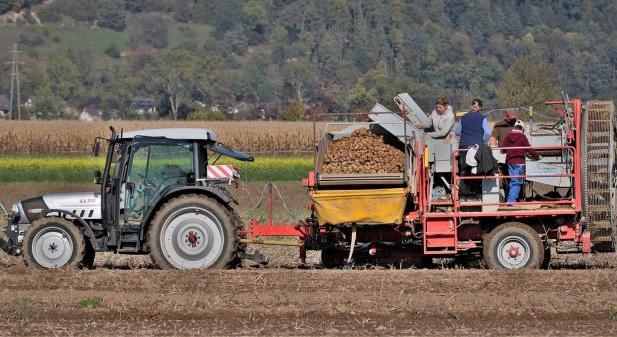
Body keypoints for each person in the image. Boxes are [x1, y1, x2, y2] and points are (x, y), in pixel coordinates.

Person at [455, 98, 491, 198]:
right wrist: (483, 142)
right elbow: (487, 133)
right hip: (477, 148)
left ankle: (463, 196)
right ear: (480, 107)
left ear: (472, 106)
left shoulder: (464, 117)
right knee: (477, 169)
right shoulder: (482, 117)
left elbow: (457, 132)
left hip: (464, 147)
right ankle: (477, 195)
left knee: (464, 170)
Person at [501, 120, 541, 204]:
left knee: (512, 180)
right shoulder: (522, 137)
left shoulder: (508, 136)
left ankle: (511, 199)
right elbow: (529, 149)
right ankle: (511, 201)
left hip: (510, 162)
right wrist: (537, 156)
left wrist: (508, 151)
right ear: (522, 129)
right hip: (519, 162)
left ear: (514, 127)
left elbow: (503, 149)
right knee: (516, 181)